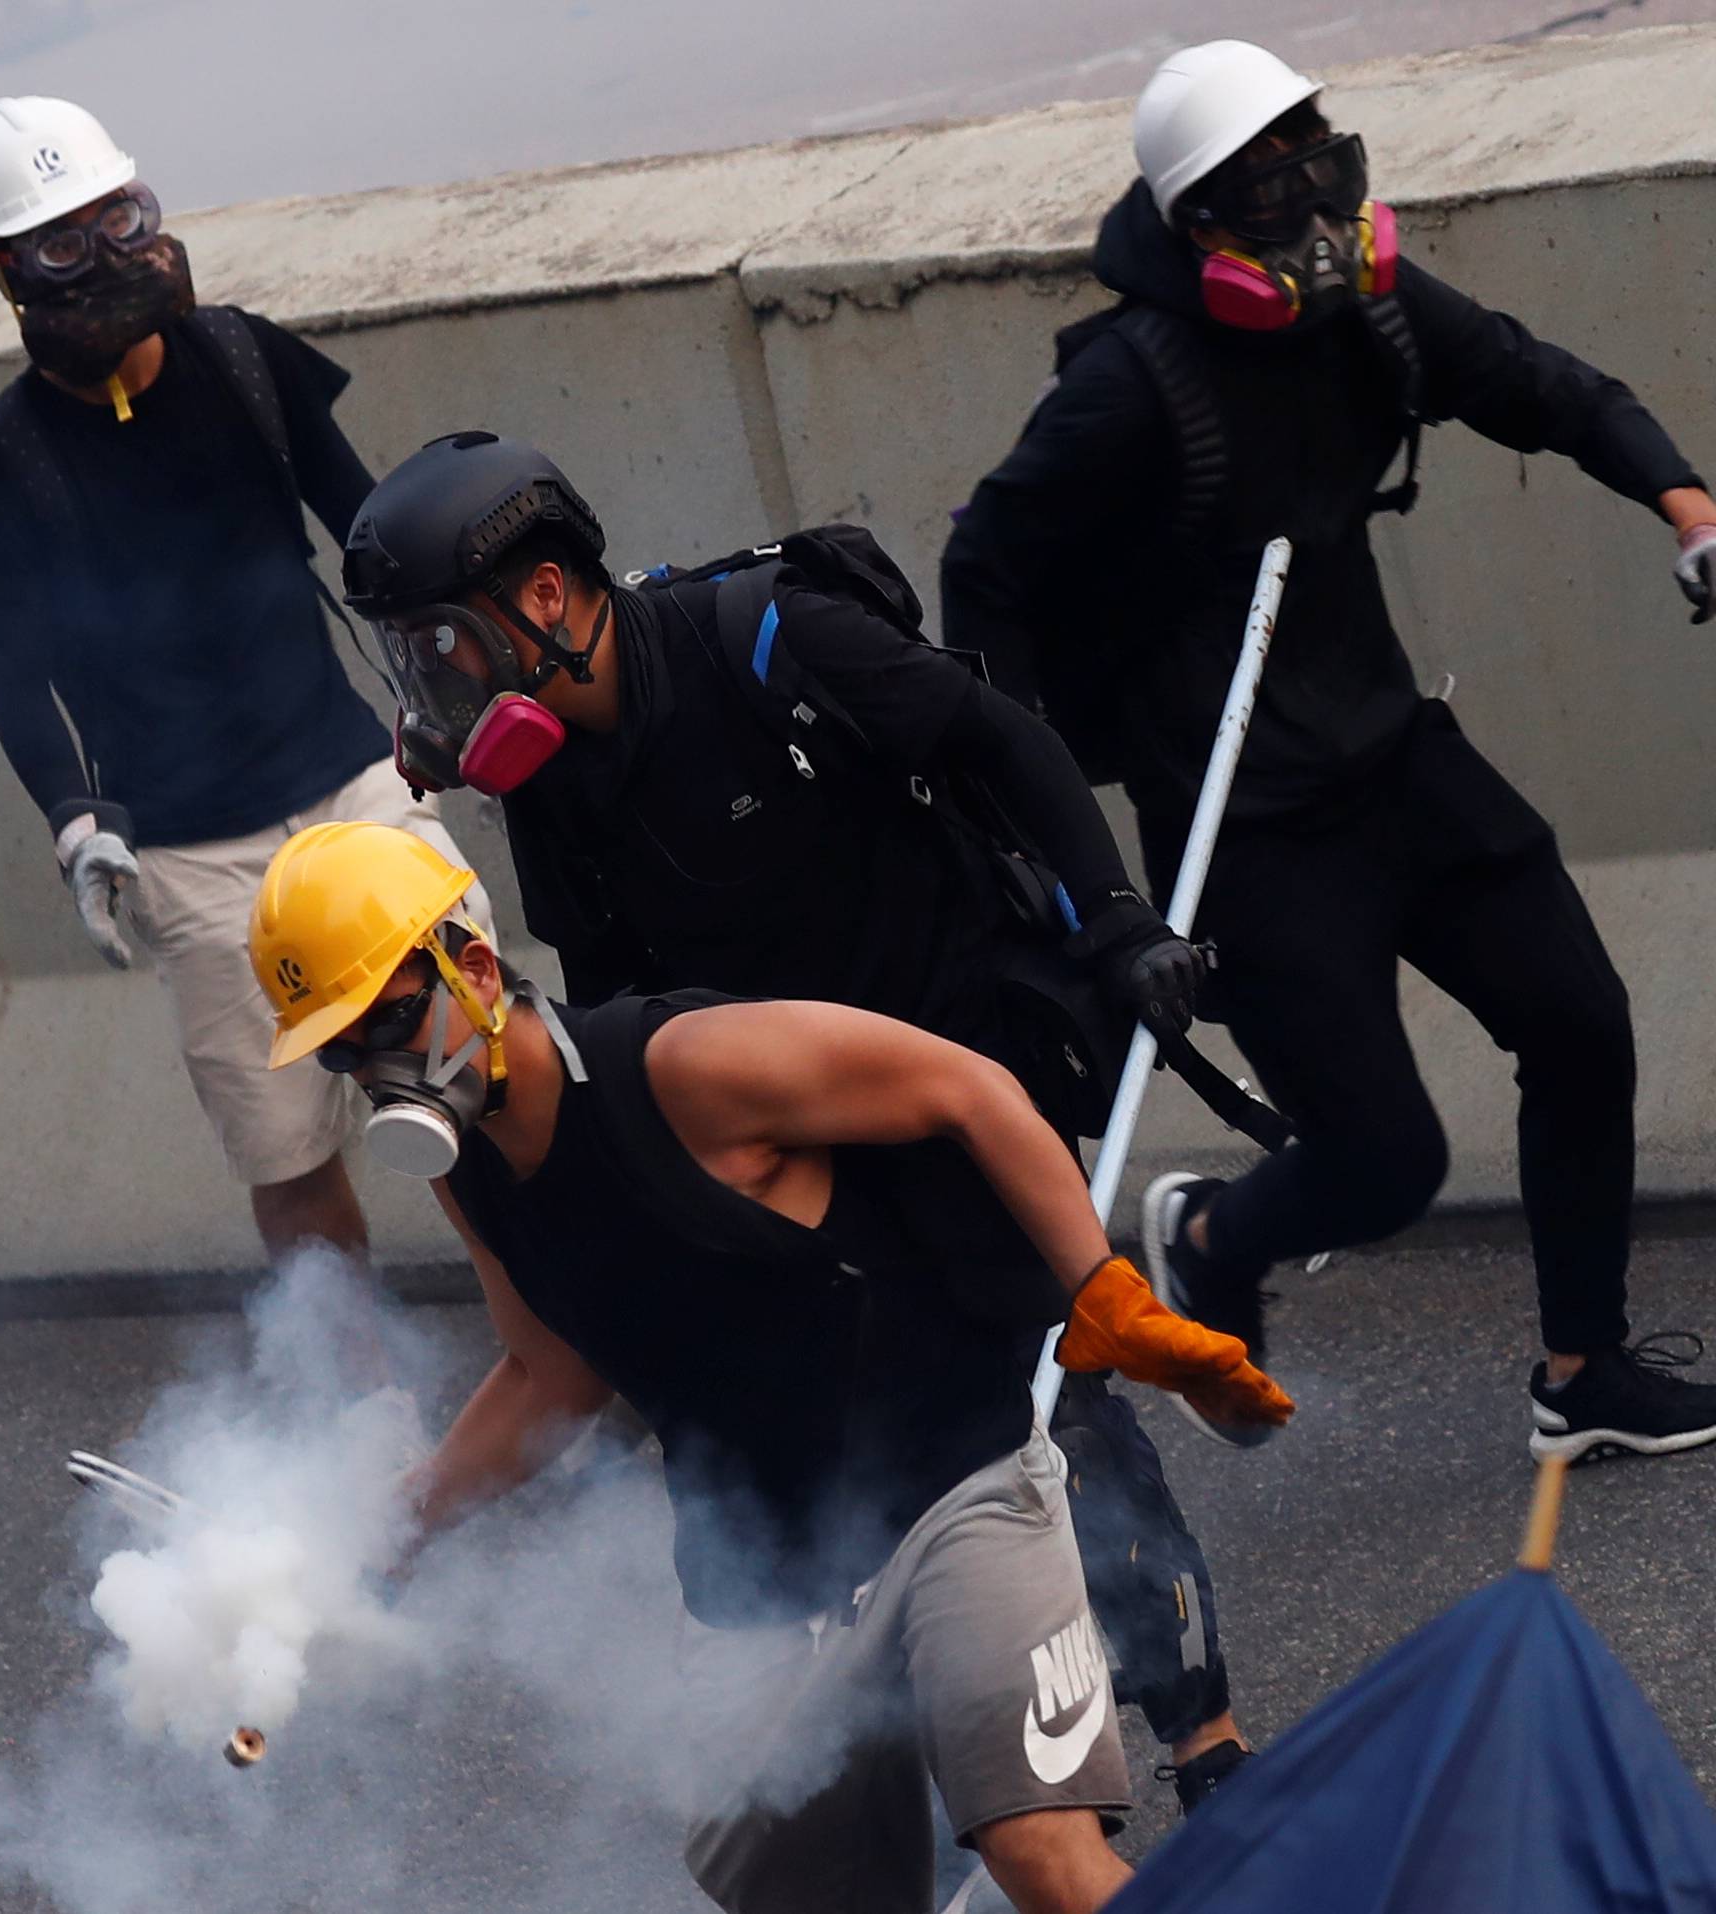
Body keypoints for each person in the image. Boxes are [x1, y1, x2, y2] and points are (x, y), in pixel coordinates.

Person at [338, 431, 1261, 1810]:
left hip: (946, 1079)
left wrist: (1115, 920)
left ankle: (1206, 1737)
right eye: (407, 662)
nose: (429, 698)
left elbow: (997, 738)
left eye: (440, 652)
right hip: (782, 1131)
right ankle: (980, 1767)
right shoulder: (552, 792)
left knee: (1045, 1399)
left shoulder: (764, 636)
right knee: (874, 1421)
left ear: (540, 599)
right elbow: (616, 1022)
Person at [245, 820, 1293, 1914]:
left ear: (468, 964)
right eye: (342, 1050)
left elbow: (966, 1089)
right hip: (760, 1584)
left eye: (390, 1021)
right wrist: (407, 1521)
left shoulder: (680, 1067)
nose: (378, 1070)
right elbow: (550, 1374)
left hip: (955, 1490)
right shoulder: (473, 1176)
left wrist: (1102, 1290)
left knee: (1044, 1859)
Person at [940, 39, 1716, 1462]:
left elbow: (1539, 383)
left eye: (1324, 176)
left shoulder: (1370, 309)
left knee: (1581, 1021)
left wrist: (1686, 503)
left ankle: (1583, 1372)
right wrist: (1031, 806)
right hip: (1246, 818)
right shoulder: (1130, 389)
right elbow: (985, 569)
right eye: (1267, 195)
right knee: (1385, 1162)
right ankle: (1215, 1230)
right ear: (1198, 228)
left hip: (1391, 754)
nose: (1310, 222)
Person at [0, 95, 489, 1262]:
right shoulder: (12, 457)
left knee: (474, 1077)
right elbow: (14, 676)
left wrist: (457, 678)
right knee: (286, 1153)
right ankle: (349, 1418)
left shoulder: (242, 358)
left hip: (353, 783)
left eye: (121, 216)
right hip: (192, 858)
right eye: (61, 241)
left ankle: (574, 1357)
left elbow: (371, 531)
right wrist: (76, 822)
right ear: (9, 275)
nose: (114, 256)